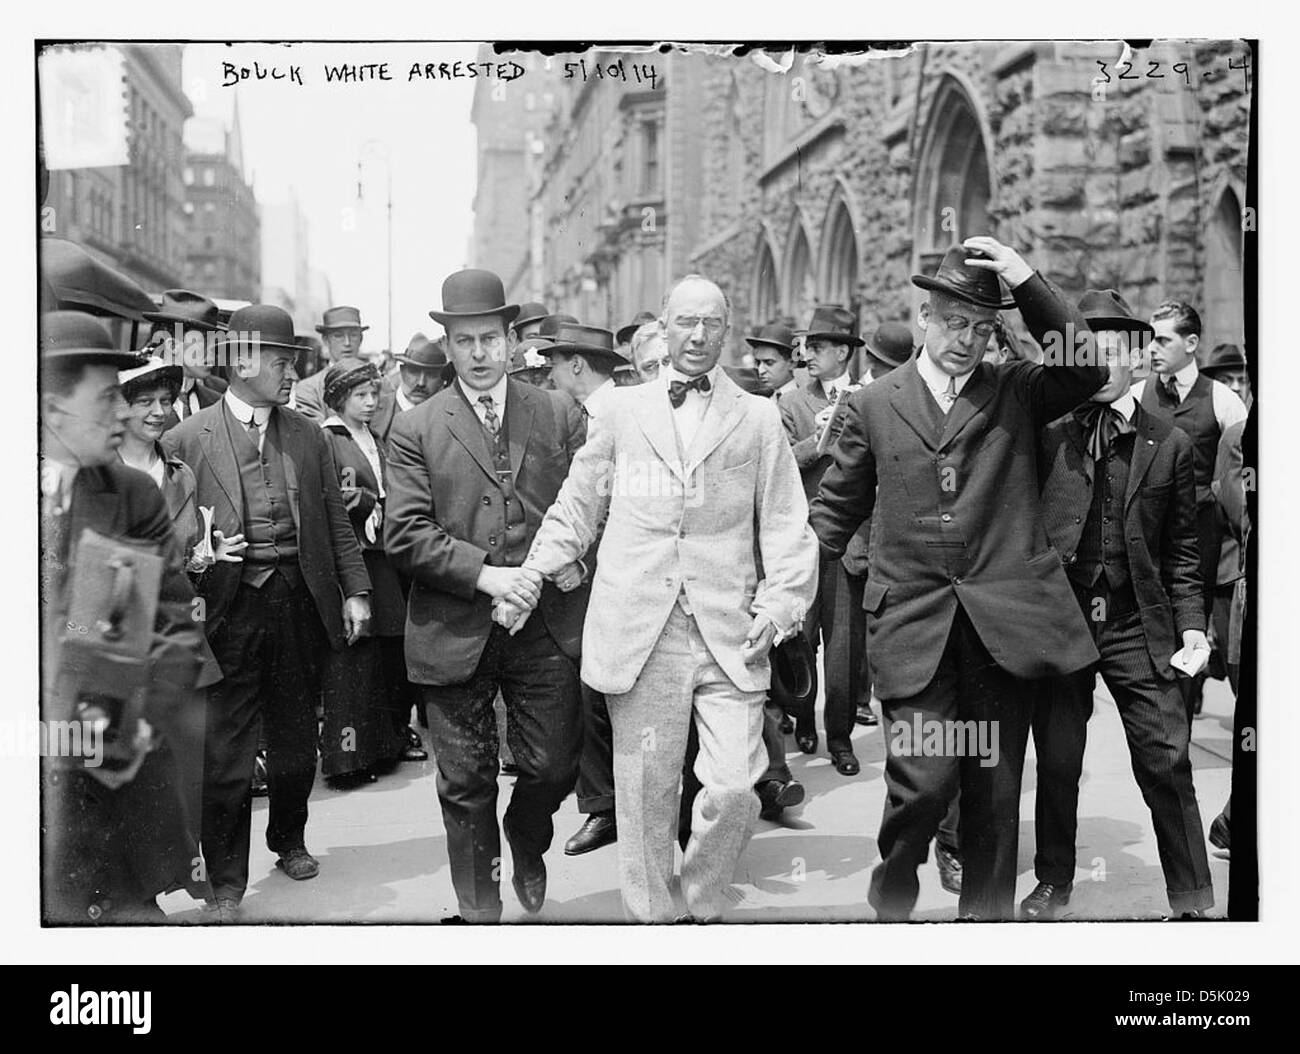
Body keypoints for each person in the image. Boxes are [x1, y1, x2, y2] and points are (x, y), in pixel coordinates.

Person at [810, 236, 1108, 920]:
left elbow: (1086, 367)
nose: (967, 341)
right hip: (915, 627)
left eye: (981, 328)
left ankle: (985, 929)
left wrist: (1025, 279)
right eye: (954, 324)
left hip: (1006, 626)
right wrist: (788, 592)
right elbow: (837, 510)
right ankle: (894, 896)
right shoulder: (873, 404)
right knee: (921, 786)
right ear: (924, 319)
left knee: (996, 797)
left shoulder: (1017, 390)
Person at [510, 273, 818, 922]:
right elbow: (578, 503)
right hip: (641, 629)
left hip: (730, 632)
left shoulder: (758, 418)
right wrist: (535, 572)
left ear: (725, 331)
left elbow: (788, 522)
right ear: (665, 327)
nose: (698, 335)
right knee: (646, 794)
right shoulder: (622, 411)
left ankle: (704, 901)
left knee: (735, 785)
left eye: (711, 324)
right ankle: (654, 923)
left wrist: (781, 605)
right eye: (686, 322)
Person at [383, 268, 588, 922]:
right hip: (455, 627)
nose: (478, 353)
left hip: (545, 624)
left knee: (556, 766)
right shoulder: (417, 428)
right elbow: (405, 534)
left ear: (510, 340)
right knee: (465, 784)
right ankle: (480, 917)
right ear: (448, 345)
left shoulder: (555, 411)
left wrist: (565, 560)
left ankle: (527, 834)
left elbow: (591, 502)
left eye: (489, 339)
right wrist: (487, 574)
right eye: (465, 341)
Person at [162, 304, 372, 923]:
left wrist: (355, 590)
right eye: (283, 361)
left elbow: (335, 520)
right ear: (245, 362)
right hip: (226, 610)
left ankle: (289, 838)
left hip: (298, 603)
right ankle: (227, 879)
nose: (291, 374)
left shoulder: (308, 435)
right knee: (225, 753)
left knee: (292, 741)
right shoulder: (185, 440)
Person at [1022, 288, 1214, 921]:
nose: (1098, 360)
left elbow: (1184, 551)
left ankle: (1192, 897)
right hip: (1064, 617)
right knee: (1058, 759)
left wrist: (1191, 627)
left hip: (1137, 622)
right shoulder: (1048, 433)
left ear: (1139, 356)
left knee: (1167, 757)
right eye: (1085, 347)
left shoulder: (1173, 444)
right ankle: (1054, 881)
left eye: (1111, 347)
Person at [39, 311, 212, 923]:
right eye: (107, 397)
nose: (123, 412)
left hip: (114, 778)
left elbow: (166, 626)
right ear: (53, 410)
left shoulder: (133, 496)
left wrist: (138, 722)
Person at [1136, 301, 1248, 717]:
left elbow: (1241, 471)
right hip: (1151, 545)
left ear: (1192, 343)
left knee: (1213, 646)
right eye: (1150, 339)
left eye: (1163, 339)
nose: (1153, 348)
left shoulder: (1221, 400)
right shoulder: (1137, 394)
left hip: (1210, 550)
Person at [318, 358, 427, 787]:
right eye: (359, 395)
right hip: (355, 558)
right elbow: (331, 495)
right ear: (339, 398)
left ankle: (387, 743)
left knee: (389, 654)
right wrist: (369, 500)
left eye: (373, 395)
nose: (369, 402)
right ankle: (349, 758)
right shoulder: (328, 439)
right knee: (355, 660)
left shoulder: (372, 436)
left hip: (384, 557)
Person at [779, 304, 868, 776]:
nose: (807, 354)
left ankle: (840, 739)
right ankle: (801, 718)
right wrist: (817, 441)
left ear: (841, 353)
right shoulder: (792, 403)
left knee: (843, 648)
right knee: (798, 637)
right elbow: (778, 468)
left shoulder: (869, 400)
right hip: (805, 538)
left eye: (817, 347)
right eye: (806, 346)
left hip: (850, 543)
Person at [142, 289, 228, 428]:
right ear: (173, 345)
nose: (213, 353)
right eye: (205, 342)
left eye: (215, 343)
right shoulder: (136, 397)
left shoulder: (217, 403)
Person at [371, 332, 450, 448]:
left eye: (431, 375)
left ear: (442, 379)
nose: (421, 383)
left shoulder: (451, 417)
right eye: (414, 372)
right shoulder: (372, 410)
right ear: (402, 371)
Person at [292, 305, 369, 422]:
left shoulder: (381, 384)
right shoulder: (310, 388)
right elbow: (317, 434)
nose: (347, 343)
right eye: (338, 336)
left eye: (353, 335)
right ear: (326, 340)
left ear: (361, 339)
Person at [747, 323, 799, 402]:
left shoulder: (806, 401)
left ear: (792, 363)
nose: (761, 371)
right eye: (758, 363)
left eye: (769, 363)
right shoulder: (762, 400)